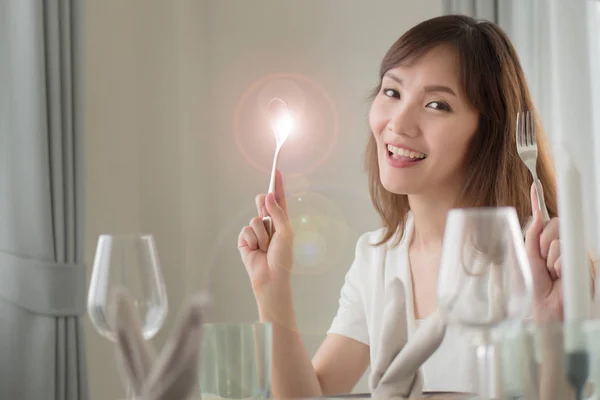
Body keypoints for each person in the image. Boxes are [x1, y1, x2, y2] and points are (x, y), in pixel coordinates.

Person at [237, 14, 577, 397]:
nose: (399, 123)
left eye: (436, 104)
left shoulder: (536, 261)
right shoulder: (376, 257)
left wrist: (561, 323)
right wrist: (272, 287)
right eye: (392, 92)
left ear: (487, 130)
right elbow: (308, 395)